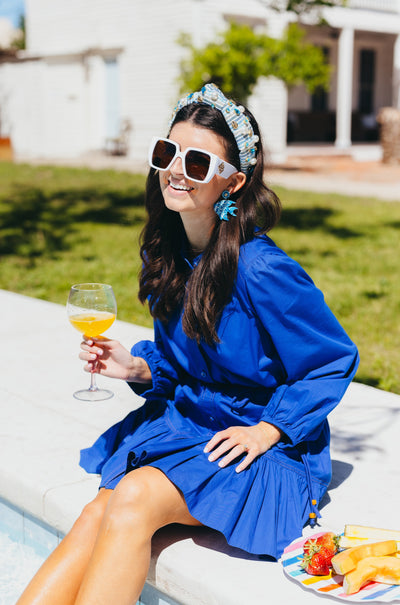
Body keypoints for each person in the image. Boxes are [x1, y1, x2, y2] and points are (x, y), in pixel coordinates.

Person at [17, 83, 359, 605]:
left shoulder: (262, 269)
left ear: (233, 182)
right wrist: (136, 368)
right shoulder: (170, 252)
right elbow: (184, 367)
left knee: (130, 496)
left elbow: (333, 359)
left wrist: (270, 429)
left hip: (261, 445)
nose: (177, 169)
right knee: (101, 507)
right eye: (167, 153)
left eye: (198, 161)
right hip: (192, 424)